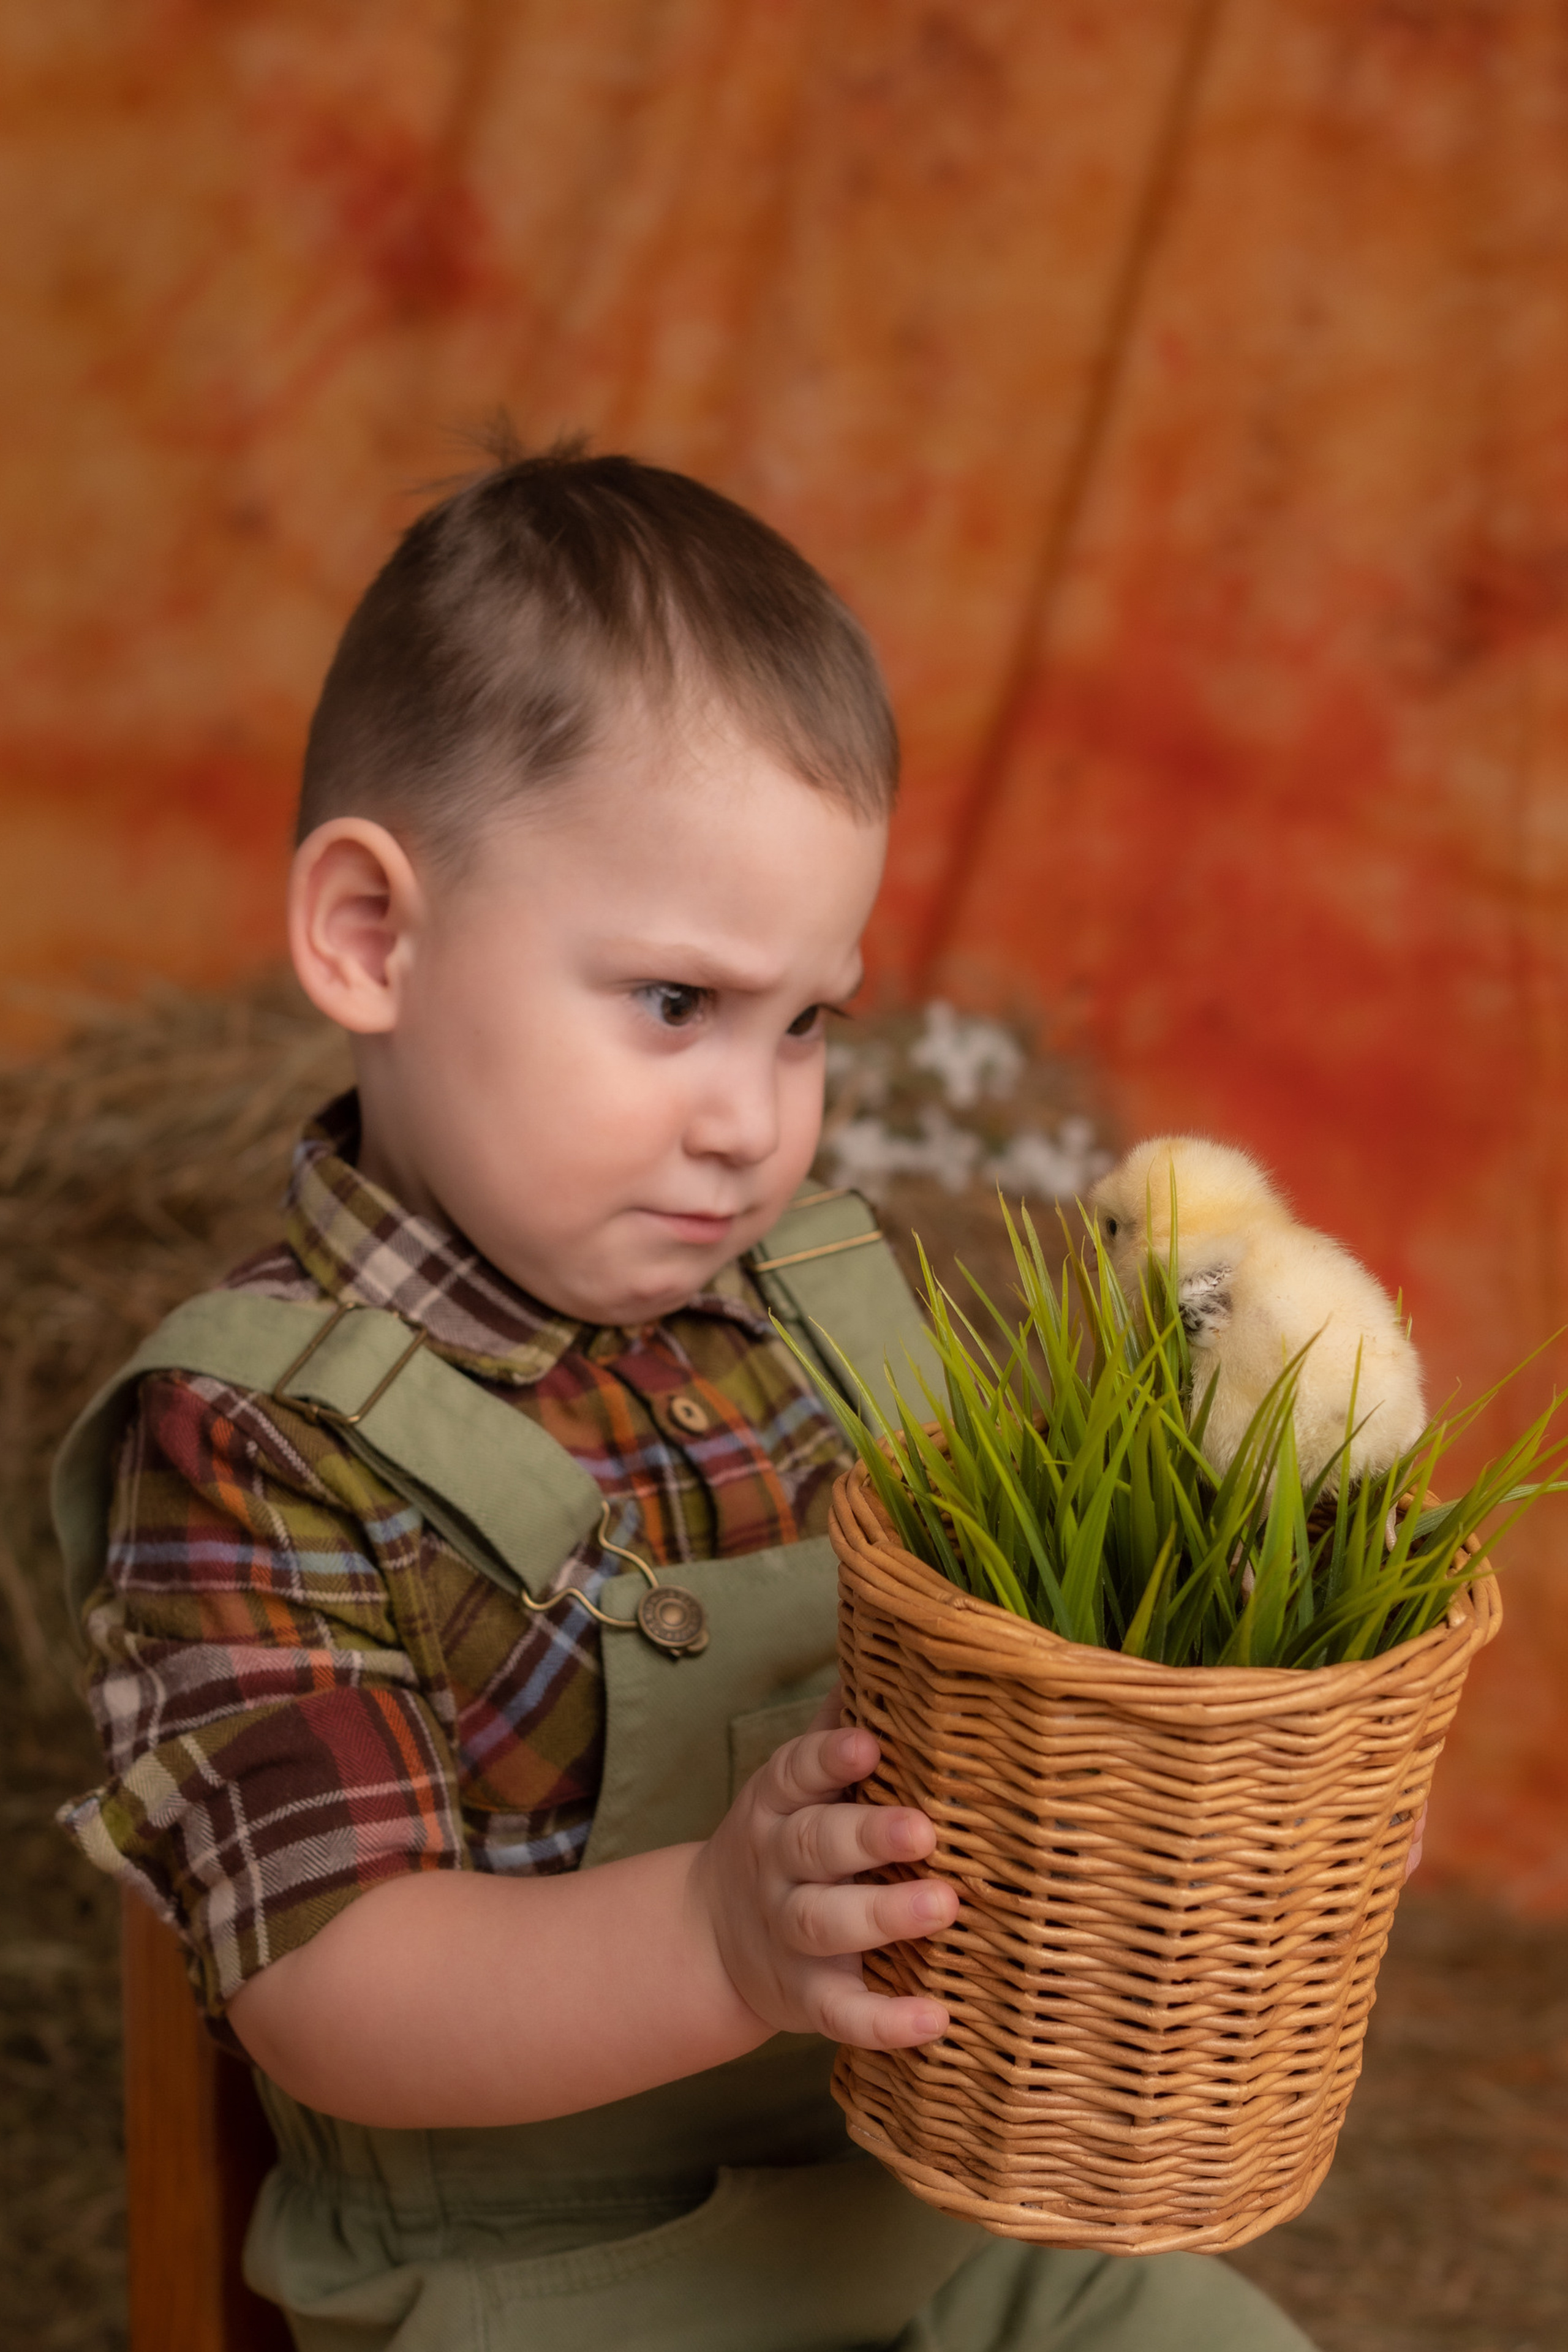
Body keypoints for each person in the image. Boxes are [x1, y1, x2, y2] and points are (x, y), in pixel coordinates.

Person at [56, 443, 1316, 2350]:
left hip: (923, 2213)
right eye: (673, 1005)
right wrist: (719, 1940)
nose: (752, 1119)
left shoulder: (816, 1298)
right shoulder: (251, 1438)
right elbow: (328, 1986)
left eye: (805, 1020)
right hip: (543, 2293)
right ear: (371, 938)